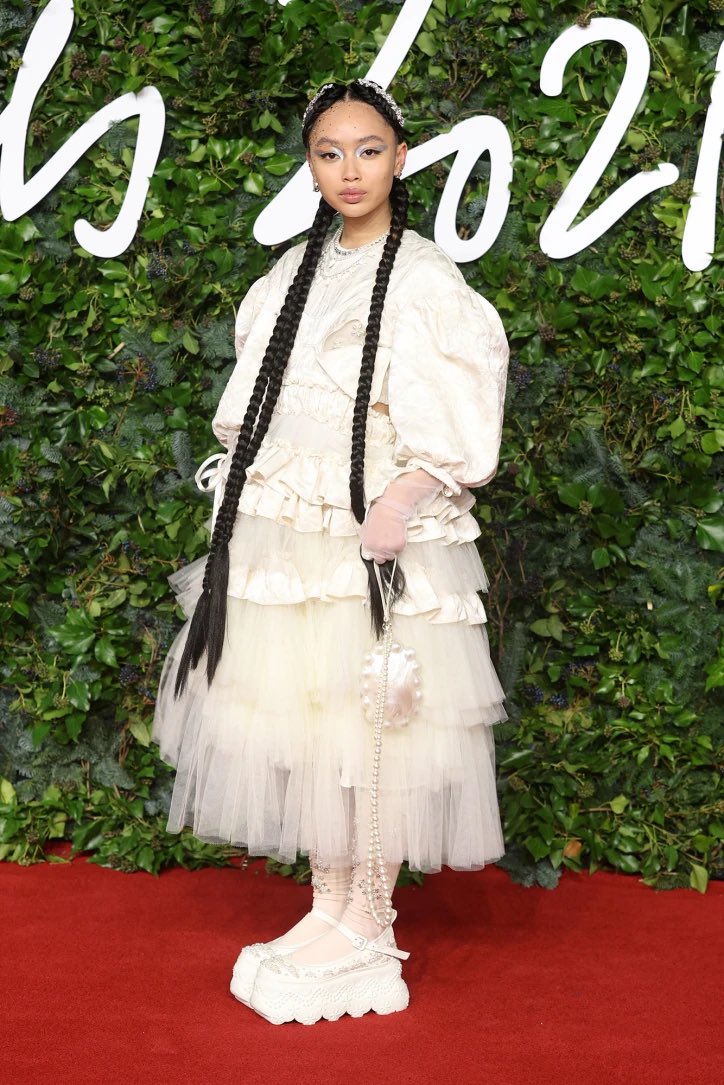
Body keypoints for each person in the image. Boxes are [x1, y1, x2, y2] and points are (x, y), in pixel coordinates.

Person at [152, 78, 509, 1026]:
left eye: (368, 149)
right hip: (297, 528)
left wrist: (404, 493)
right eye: (328, 152)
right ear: (311, 166)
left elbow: (458, 419)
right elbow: (255, 401)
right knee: (314, 724)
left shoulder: (425, 278)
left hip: (373, 529)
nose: (349, 170)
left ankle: (371, 917)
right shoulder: (292, 273)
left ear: (400, 159)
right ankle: (328, 906)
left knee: (376, 724)